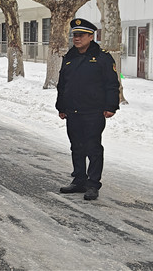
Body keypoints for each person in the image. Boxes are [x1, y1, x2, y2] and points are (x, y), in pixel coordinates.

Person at [55, 18, 120, 201]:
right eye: (75, 35)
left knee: (93, 148)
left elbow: (112, 84)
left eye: (81, 35)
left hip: (94, 111)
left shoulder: (103, 58)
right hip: (73, 111)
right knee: (77, 147)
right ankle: (79, 180)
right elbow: (63, 85)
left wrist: (110, 106)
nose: (77, 38)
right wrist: (61, 106)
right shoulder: (69, 57)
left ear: (91, 37)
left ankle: (93, 184)